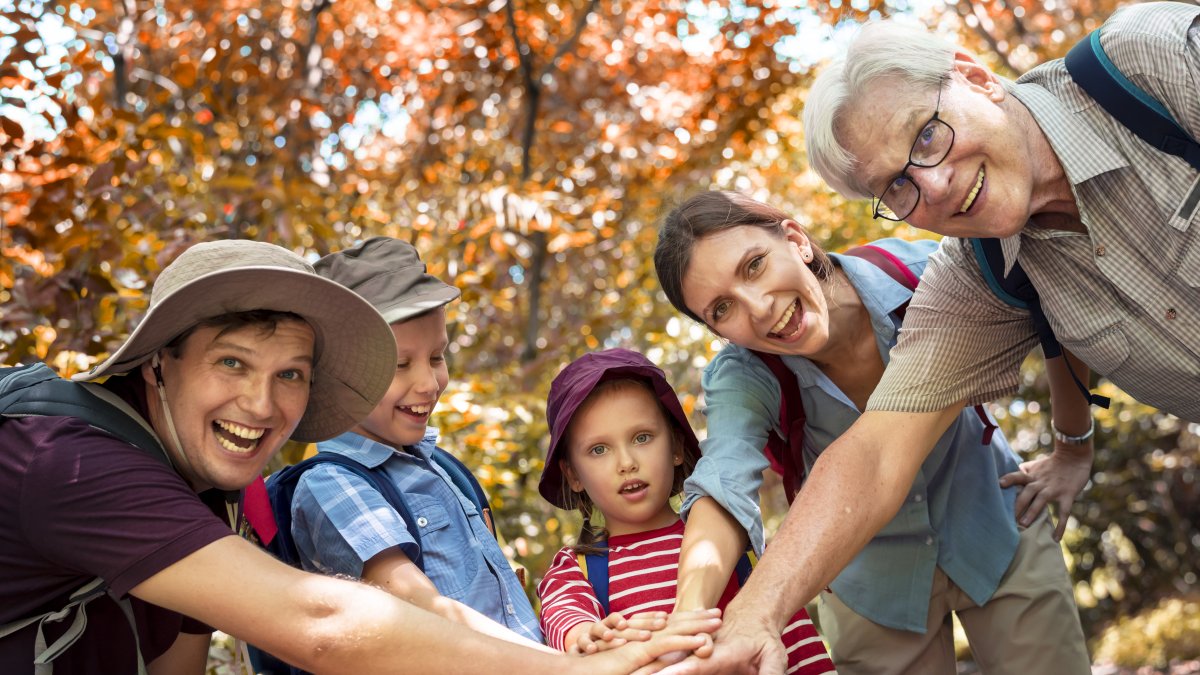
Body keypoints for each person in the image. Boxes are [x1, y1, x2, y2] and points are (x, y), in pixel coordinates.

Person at [680, 3, 1200, 672]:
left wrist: (1073, 446)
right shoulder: (978, 278)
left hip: (993, 541)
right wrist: (751, 615)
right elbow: (871, 456)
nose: (935, 183)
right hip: (879, 588)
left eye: (926, 136)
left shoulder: (1148, 65)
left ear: (974, 76)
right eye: (896, 184)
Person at [0, 239, 721, 675]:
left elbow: (176, 665)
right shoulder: (68, 462)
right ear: (159, 362)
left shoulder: (206, 496)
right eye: (232, 362)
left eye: (290, 374)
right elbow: (319, 624)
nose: (260, 404)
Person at [654, 191, 1091, 673]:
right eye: (721, 309)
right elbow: (724, 477)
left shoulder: (927, 274)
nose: (756, 308)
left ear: (796, 240)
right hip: (869, 587)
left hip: (993, 529)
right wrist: (689, 621)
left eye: (754, 266)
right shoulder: (745, 376)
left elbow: (1056, 310)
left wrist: (1073, 448)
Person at [286, 236, 543, 649]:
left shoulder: (440, 467)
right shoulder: (332, 484)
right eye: (399, 364)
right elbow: (421, 607)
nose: (429, 383)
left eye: (437, 357)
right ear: (333, 376)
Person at [535, 348, 835, 674]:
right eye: (599, 449)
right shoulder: (577, 568)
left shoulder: (728, 540)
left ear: (676, 447)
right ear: (573, 475)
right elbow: (565, 616)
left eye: (642, 437)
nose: (626, 463)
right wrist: (587, 639)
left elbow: (795, 647)